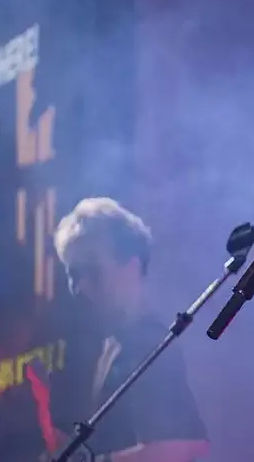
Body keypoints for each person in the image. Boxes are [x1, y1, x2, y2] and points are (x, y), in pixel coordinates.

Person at [51, 197, 210, 462]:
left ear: (131, 267)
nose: (79, 287)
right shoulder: (115, 341)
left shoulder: (147, 344)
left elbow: (181, 446)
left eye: (92, 271)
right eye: (73, 274)